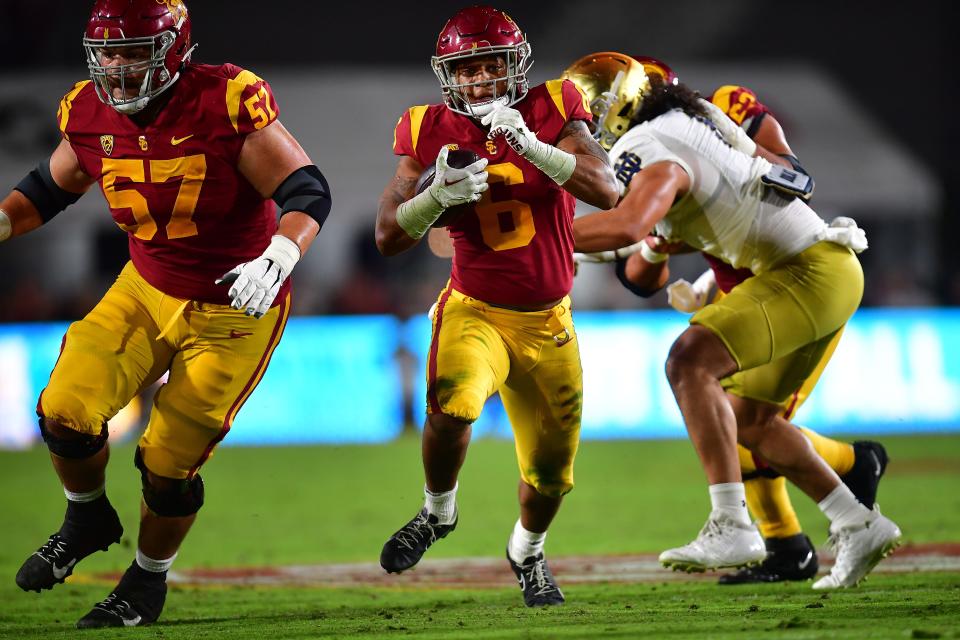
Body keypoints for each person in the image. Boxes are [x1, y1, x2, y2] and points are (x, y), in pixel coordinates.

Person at [3, 0, 330, 627]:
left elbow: (307, 189)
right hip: (145, 288)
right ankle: (87, 514)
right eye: (108, 54)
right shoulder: (88, 110)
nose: (118, 69)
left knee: (166, 466)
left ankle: (146, 583)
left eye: (133, 52)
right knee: (64, 411)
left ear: (174, 51)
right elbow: (48, 188)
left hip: (235, 305)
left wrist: (280, 255)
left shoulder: (224, 100)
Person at [566, 52, 901, 589]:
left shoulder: (647, 142)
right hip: (813, 271)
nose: (584, 128)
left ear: (623, 105)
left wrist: (537, 241)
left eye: (589, 113)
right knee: (750, 420)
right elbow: (639, 255)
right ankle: (856, 521)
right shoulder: (686, 123)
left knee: (688, 361)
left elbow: (629, 223)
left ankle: (732, 522)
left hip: (802, 273)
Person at [375, 6, 618, 607]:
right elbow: (387, 235)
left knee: (552, 477)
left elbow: (607, 190)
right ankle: (438, 512)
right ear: (447, 74)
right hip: (474, 308)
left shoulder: (555, 106)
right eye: (469, 69)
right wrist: (434, 196)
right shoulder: (426, 127)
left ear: (516, 67)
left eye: (492, 66)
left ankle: (527, 553)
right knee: (451, 404)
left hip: (549, 321)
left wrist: (534, 147)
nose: (481, 81)